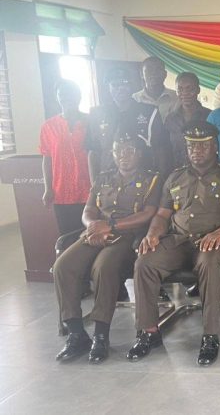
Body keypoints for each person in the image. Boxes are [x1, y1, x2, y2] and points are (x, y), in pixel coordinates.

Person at [127, 121, 220, 366]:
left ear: (215, 146)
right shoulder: (175, 177)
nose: (196, 151)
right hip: (178, 240)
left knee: (209, 263)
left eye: (203, 146)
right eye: (192, 146)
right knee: (144, 263)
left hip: (212, 241)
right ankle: (148, 332)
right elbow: (162, 214)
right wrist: (152, 234)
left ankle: (210, 336)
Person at [53, 132, 160, 363]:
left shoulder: (152, 179)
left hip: (126, 236)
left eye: (129, 150)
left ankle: (101, 335)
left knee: (103, 267)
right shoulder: (103, 178)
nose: (123, 155)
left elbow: (148, 214)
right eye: (118, 150)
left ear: (139, 154)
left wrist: (110, 225)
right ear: (112, 153)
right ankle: (75, 333)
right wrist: (93, 225)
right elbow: (88, 210)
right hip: (94, 232)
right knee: (63, 265)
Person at [85, 68, 170, 183]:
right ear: (108, 88)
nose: (120, 89)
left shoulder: (149, 112)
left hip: (145, 180)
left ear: (131, 86)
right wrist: (94, 185)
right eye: (115, 84)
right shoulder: (97, 114)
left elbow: (161, 150)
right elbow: (93, 152)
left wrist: (161, 182)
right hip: (108, 181)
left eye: (125, 84)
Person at [41, 80, 91, 235]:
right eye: (62, 94)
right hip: (62, 192)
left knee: (91, 234)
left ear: (79, 96)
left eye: (72, 93)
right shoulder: (48, 126)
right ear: (57, 97)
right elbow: (47, 159)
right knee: (68, 235)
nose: (67, 97)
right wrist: (48, 188)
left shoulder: (91, 122)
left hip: (90, 190)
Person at [164, 72, 211, 168]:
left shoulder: (209, 116)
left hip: (203, 172)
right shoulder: (170, 119)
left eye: (190, 89)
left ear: (198, 90)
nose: (185, 93)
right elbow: (166, 149)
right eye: (180, 89)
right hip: (177, 172)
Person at [132, 56, 178, 122]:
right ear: (141, 74)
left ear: (165, 74)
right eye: (149, 70)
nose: (154, 73)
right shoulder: (135, 99)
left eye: (158, 69)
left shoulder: (177, 98)